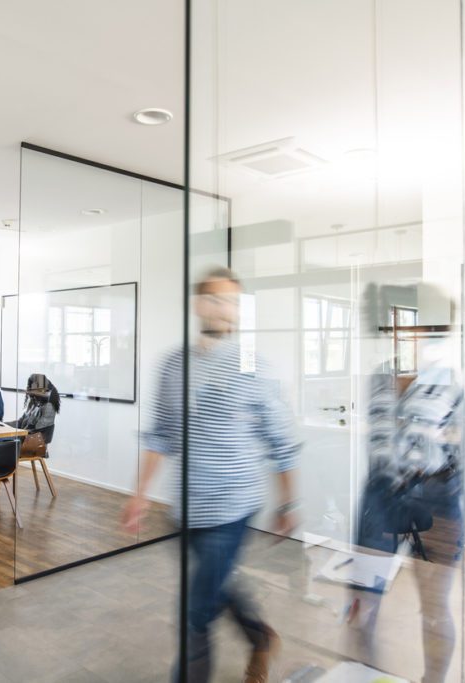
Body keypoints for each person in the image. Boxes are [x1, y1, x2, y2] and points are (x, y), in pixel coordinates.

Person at [122, 267, 301, 683]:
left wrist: (289, 501)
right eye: (219, 300)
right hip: (186, 508)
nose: (228, 310)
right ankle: (260, 636)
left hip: (233, 505)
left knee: (194, 612)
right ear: (199, 304)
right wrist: (139, 494)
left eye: (235, 302)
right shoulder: (172, 364)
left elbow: (280, 439)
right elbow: (160, 434)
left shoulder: (252, 364)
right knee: (218, 587)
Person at [350, 283, 465, 683]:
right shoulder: (379, 378)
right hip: (381, 495)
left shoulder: (456, 383)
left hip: (435, 497)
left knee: (434, 609)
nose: (401, 329)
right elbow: (373, 446)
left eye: (414, 320)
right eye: (396, 320)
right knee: (362, 604)